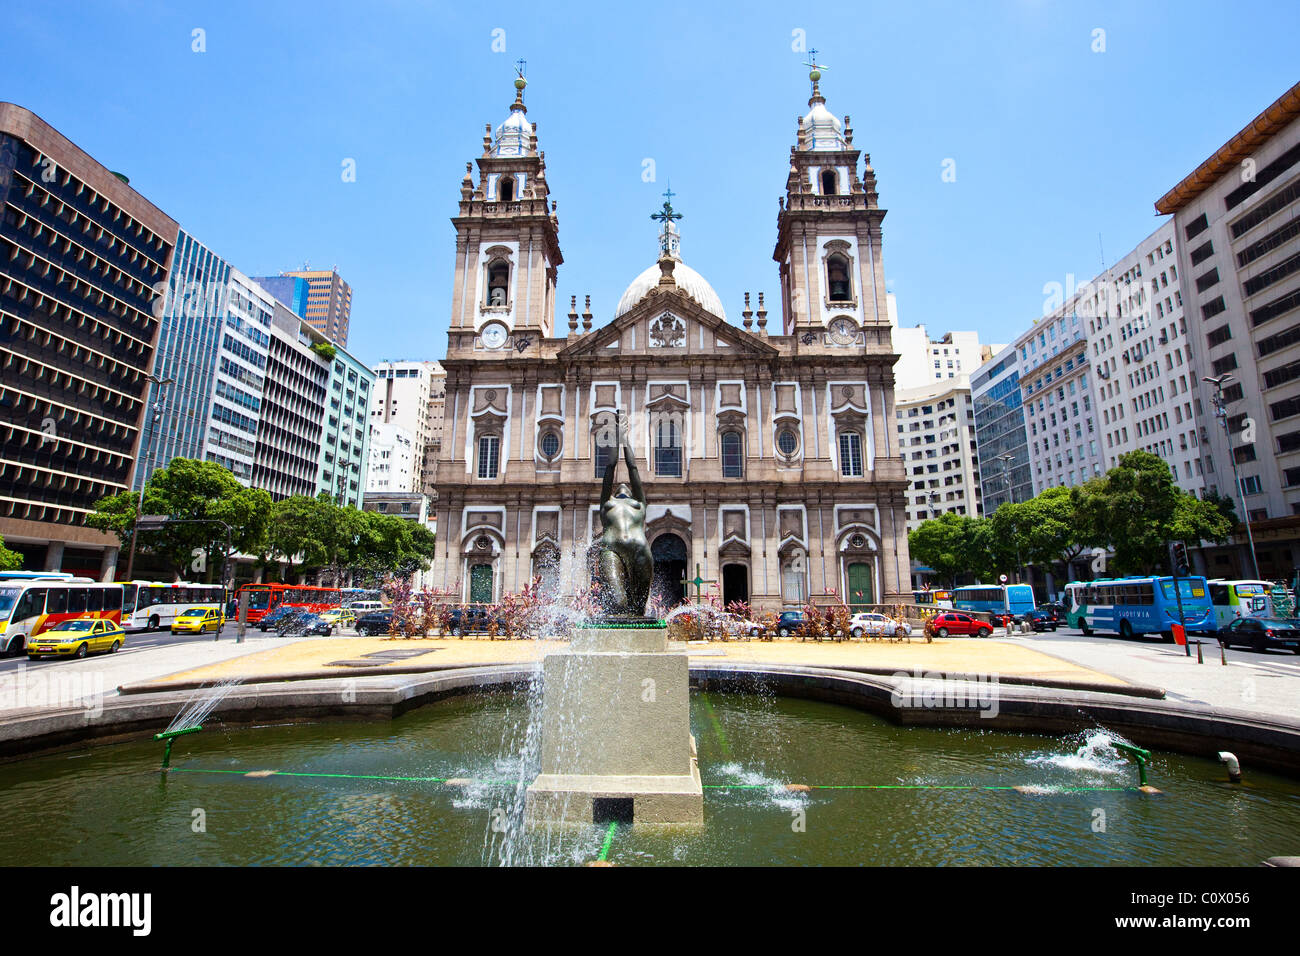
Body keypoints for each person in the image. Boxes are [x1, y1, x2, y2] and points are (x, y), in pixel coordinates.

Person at [596, 420, 653, 617]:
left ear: (631, 492)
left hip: (640, 552)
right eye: (618, 485)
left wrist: (625, 439)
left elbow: (633, 468)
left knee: (638, 610)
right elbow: (610, 468)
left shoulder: (639, 504)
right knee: (618, 603)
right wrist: (615, 438)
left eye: (627, 486)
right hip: (612, 550)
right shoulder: (607, 503)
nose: (622, 484)